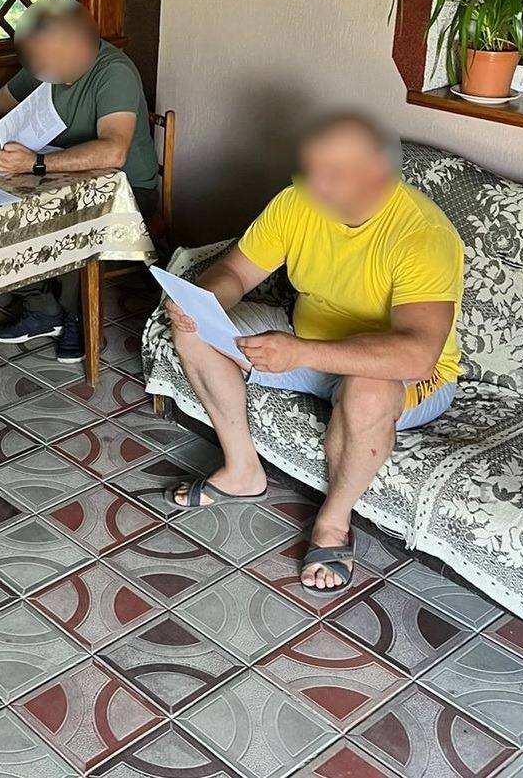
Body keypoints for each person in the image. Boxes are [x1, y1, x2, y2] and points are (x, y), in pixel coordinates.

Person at [163, 113, 463, 594]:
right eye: (313, 169)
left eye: (334, 174)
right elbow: (235, 273)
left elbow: (416, 354)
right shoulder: (298, 201)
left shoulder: (422, 234)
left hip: (402, 374)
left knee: (366, 391)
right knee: (195, 331)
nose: (316, 185)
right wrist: (203, 301)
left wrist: (302, 353)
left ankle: (334, 522)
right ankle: (241, 470)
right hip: (304, 344)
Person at [0, 0, 160, 362]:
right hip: (55, 177)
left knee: (70, 220)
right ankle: (43, 307)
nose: (37, 67)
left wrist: (35, 163)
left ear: (75, 47)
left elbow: (114, 152)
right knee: (1, 214)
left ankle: (78, 318)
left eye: (45, 59)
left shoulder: (114, 74)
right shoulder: (45, 65)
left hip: (126, 191)